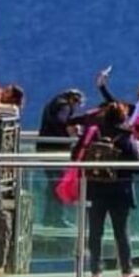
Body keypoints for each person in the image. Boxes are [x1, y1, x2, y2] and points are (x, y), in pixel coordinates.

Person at [80, 101, 139, 277]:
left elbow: (78, 156)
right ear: (123, 117)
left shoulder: (94, 133)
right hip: (120, 190)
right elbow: (137, 167)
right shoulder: (126, 137)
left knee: (95, 232)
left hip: (95, 188)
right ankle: (126, 272)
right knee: (121, 233)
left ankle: (95, 273)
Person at [37, 88, 86, 227]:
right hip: (55, 148)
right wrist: (73, 128)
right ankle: (58, 218)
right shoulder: (64, 106)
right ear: (74, 100)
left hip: (44, 146)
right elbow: (61, 122)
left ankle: (48, 217)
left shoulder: (53, 103)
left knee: (52, 183)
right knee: (59, 184)